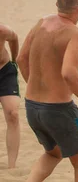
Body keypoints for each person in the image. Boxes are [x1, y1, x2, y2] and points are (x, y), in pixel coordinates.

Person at [17, 0, 78, 182]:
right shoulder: (77, 35)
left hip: (32, 107)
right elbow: (68, 73)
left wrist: (37, 88)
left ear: (56, 5)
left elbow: (21, 59)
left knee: (53, 154)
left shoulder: (41, 22)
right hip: (58, 110)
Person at [0, 23, 20, 169]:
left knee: (13, 114)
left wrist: (14, 60)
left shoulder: (2, 30)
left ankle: (11, 165)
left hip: (4, 71)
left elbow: (14, 39)